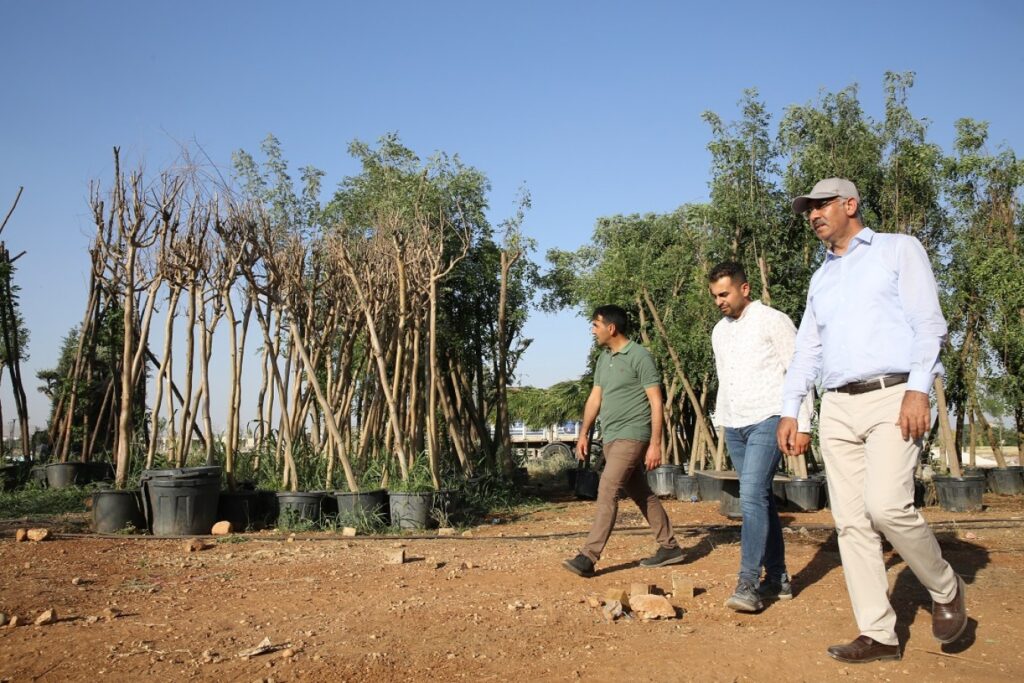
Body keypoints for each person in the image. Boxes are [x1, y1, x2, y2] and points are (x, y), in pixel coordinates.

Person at [778, 178, 967, 663]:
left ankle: (944, 587)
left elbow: (929, 324)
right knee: (851, 523)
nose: (814, 214)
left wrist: (918, 390)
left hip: (893, 394)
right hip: (837, 405)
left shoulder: (898, 250)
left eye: (822, 205)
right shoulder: (820, 278)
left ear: (850, 204)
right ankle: (878, 632)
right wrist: (792, 410)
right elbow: (807, 351)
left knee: (886, 507)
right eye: (809, 209)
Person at [708, 261, 813, 612]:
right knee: (761, 499)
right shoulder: (718, 332)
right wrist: (722, 419)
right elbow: (727, 378)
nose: (720, 301)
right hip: (734, 424)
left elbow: (799, 371)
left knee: (750, 496)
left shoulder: (773, 320)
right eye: (715, 296)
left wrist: (803, 422)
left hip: (770, 418)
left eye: (724, 293)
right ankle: (779, 577)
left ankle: (748, 583)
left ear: (745, 288)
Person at [562, 305, 684, 577]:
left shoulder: (639, 356)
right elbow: (595, 398)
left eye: (596, 325)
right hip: (612, 436)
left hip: (634, 433)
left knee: (607, 487)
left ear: (611, 328)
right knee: (641, 493)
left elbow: (656, 401)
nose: (593, 331)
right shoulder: (604, 359)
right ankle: (670, 546)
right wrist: (583, 432)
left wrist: (655, 443)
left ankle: (588, 556)